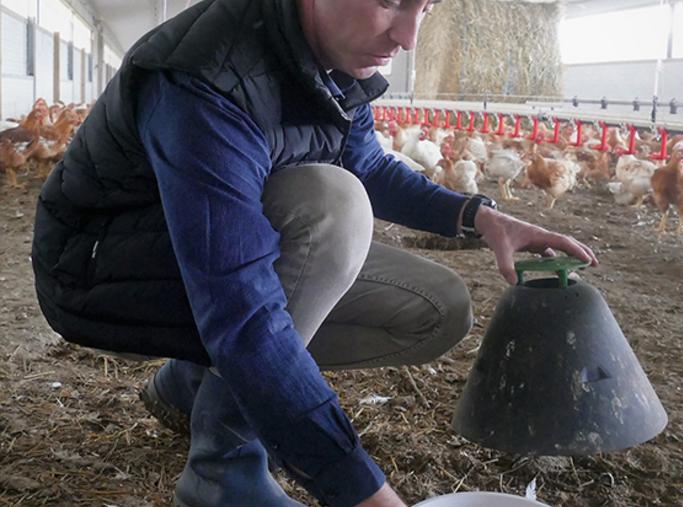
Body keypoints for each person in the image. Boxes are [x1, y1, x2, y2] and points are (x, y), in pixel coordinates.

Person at [31, 0, 598, 505]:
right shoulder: (206, 74)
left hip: (209, 250)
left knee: (436, 306)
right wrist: (360, 490)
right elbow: (243, 312)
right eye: (389, 1)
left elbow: (367, 164)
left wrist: (481, 217)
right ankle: (223, 474)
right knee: (330, 206)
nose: (408, 38)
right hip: (96, 268)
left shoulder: (334, 62)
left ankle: (190, 385)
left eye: (424, 9)